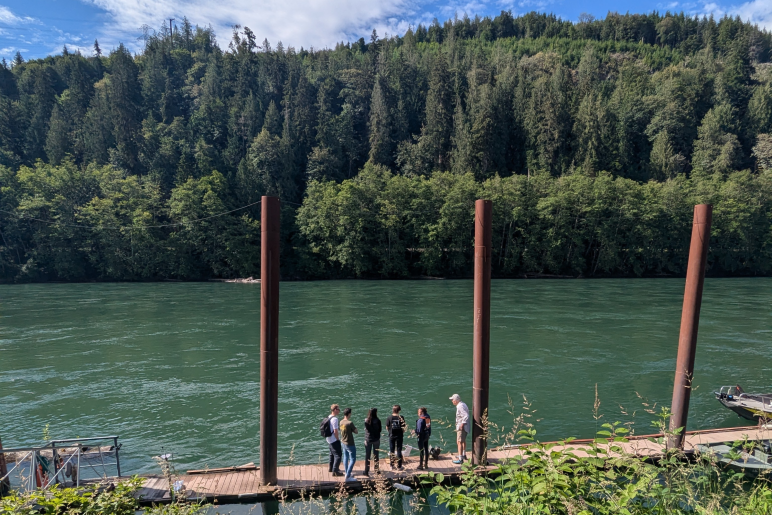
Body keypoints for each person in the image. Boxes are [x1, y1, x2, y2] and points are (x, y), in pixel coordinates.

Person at [339, 407, 359, 481]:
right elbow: (356, 432)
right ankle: (347, 476)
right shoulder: (350, 423)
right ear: (349, 414)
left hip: (343, 442)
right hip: (349, 443)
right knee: (353, 459)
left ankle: (347, 472)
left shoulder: (341, 422)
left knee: (345, 457)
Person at [449, 394, 470, 464]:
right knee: (463, 441)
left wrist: (462, 424)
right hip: (465, 426)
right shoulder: (463, 404)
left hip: (462, 427)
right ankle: (463, 454)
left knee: (459, 442)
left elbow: (466, 416)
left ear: (456, 400)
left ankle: (460, 459)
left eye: (453, 400)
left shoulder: (459, 406)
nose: (452, 401)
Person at [325, 404, 343, 476]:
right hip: (333, 439)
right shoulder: (335, 419)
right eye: (338, 409)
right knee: (338, 455)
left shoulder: (328, 417)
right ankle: (335, 471)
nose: (339, 411)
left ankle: (331, 468)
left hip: (328, 439)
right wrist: (338, 439)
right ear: (335, 410)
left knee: (331, 454)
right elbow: (335, 431)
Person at [386, 405, 406, 470]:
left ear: (393, 410)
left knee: (392, 450)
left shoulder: (389, 417)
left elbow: (387, 427)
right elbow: (404, 428)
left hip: (392, 436)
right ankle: (399, 466)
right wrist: (402, 432)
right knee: (399, 450)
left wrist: (390, 431)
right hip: (399, 436)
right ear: (399, 410)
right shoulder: (401, 417)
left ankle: (392, 465)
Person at [363, 408, 382, 476]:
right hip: (376, 439)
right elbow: (380, 430)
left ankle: (366, 471)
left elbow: (367, 430)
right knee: (376, 455)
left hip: (368, 440)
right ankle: (376, 470)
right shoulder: (378, 421)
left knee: (367, 455)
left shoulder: (366, 421)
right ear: (375, 413)